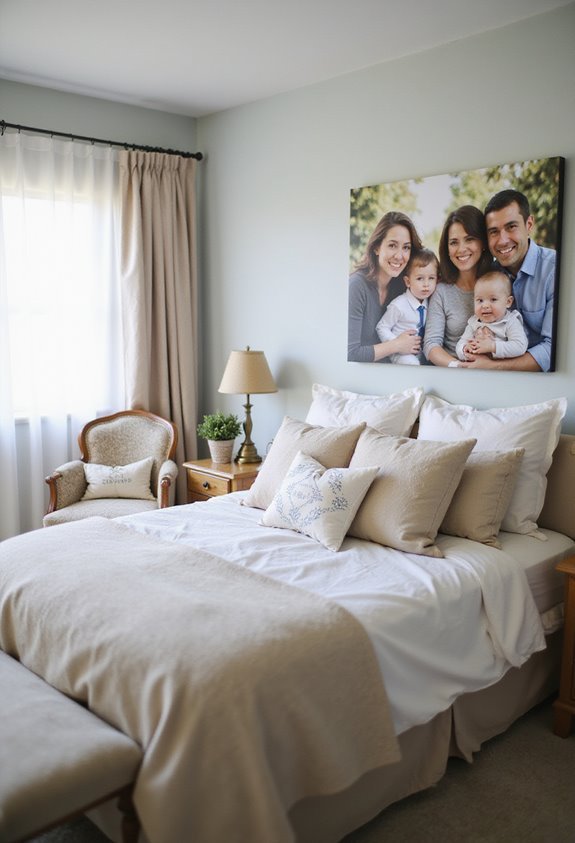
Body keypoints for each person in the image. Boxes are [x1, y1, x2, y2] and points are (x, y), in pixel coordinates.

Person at [463, 189, 556, 371]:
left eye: (511, 227)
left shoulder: (555, 269)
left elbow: (552, 349)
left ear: (529, 225)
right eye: (494, 232)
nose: (503, 240)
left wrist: (492, 366)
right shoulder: (489, 276)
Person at [348, 211, 423, 363]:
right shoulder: (356, 286)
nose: (399, 256)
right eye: (392, 245)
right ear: (376, 247)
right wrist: (397, 345)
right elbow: (351, 353)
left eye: (406, 248)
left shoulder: (402, 286)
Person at [423, 205, 493, 367]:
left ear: (482, 242)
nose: (461, 249)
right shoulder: (441, 290)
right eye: (454, 242)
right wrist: (458, 366)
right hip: (453, 373)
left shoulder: (499, 281)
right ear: (447, 249)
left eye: (469, 239)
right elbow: (431, 345)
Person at [375, 248, 438, 365]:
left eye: (431, 278)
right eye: (420, 278)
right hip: (401, 354)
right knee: (410, 363)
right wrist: (397, 343)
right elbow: (381, 327)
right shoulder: (398, 305)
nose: (426, 284)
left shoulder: (432, 303)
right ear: (408, 282)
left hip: (421, 353)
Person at [454, 271, 528, 364]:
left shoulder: (510, 321)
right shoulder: (474, 322)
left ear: (508, 302)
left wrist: (493, 346)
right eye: (480, 300)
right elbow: (460, 344)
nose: (485, 305)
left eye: (493, 299)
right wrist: (464, 349)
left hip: (502, 371)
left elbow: (520, 346)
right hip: (476, 369)